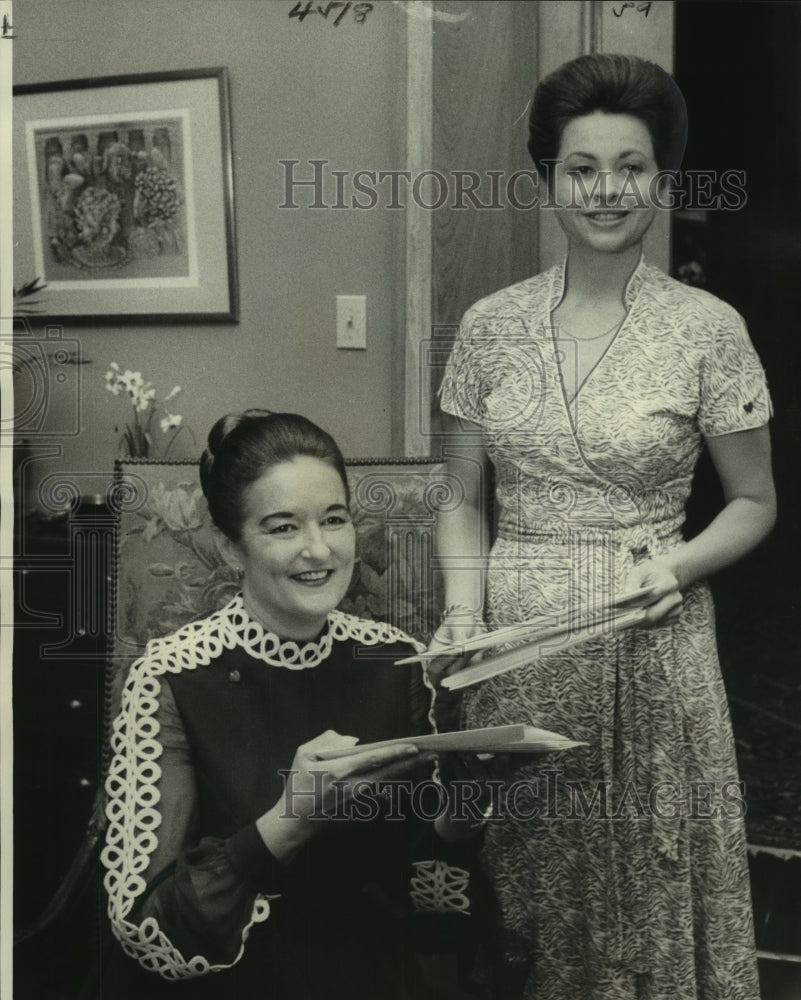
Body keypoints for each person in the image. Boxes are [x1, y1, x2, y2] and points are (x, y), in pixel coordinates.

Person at [433, 53, 776, 1000]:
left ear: (660, 179)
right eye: (582, 167)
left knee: (648, 894)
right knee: (529, 900)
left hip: (650, 650)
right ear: (548, 179)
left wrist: (677, 566)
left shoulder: (708, 329)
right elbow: (460, 499)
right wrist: (462, 616)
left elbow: (754, 504)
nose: (606, 189)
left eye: (630, 165)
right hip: (518, 656)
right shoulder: (489, 326)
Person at [100, 409, 462, 999]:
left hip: (372, 975)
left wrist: (469, 808)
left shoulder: (398, 663)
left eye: (334, 519)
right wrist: (290, 821)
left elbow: (425, 876)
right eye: (282, 527)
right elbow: (149, 927)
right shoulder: (172, 677)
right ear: (229, 544)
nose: (319, 550)